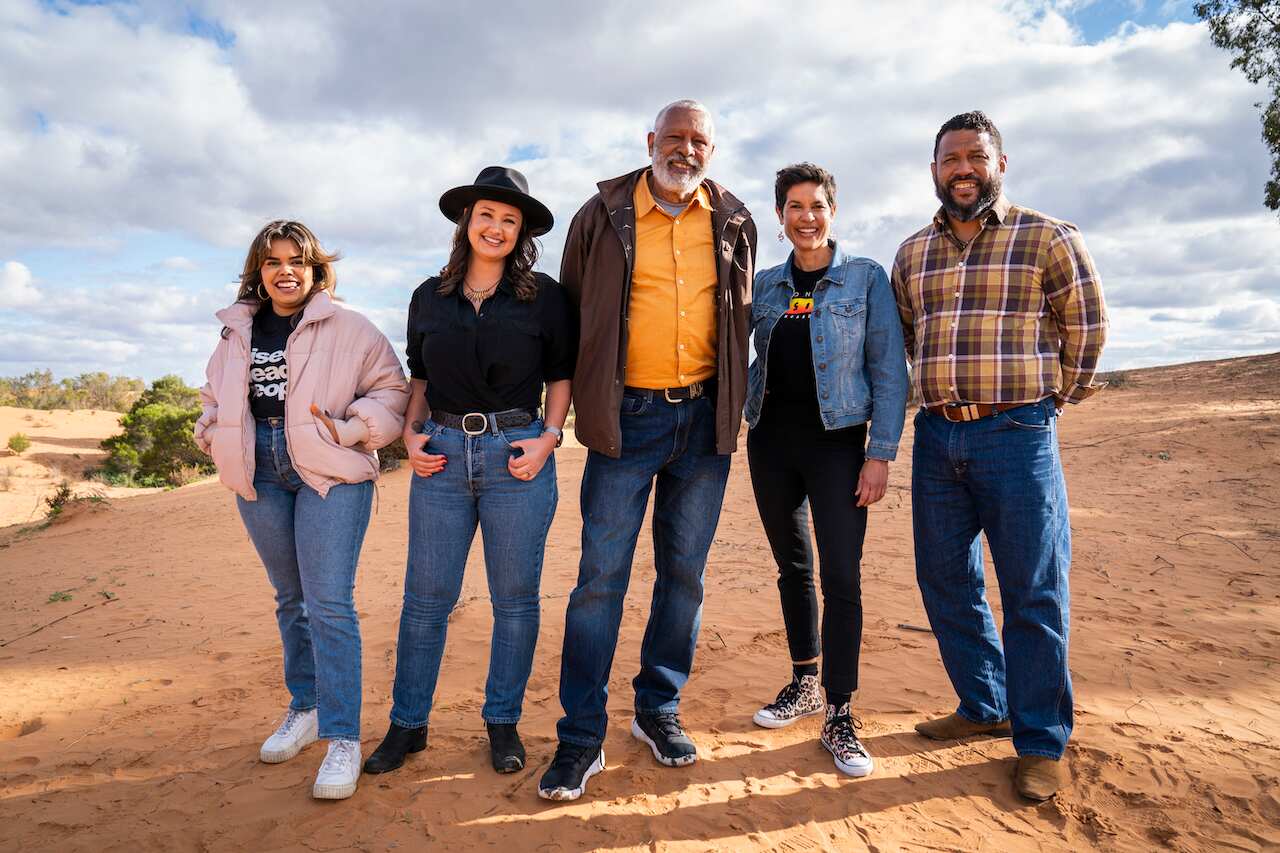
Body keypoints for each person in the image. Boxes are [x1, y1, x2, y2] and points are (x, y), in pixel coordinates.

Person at [538, 100, 756, 802]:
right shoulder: (599, 215)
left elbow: (744, 318)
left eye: (699, 141)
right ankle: (581, 735)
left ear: (711, 151)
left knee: (683, 576)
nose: (685, 149)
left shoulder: (735, 220)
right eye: (675, 136)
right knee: (600, 578)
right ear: (651, 140)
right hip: (625, 419)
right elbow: (570, 317)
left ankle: (657, 708)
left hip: (704, 420)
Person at [890, 111, 1108, 801]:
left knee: (1032, 588)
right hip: (937, 438)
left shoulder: (1047, 236)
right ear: (934, 169)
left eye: (976, 157)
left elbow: (1088, 326)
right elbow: (905, 338)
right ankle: (984, 703)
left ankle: (1041, 740)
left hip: (1017, 435)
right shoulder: (912, 253)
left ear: (1000, 164)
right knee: (945, 579)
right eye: (950, 158)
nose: (963, 169)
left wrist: (1049, 402)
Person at [362, 167, 576, 778]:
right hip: (443, 457)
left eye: (510, 220)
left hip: (517, 456)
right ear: (467, 221)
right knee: (425, 601)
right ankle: (408, 725)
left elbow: (561, 375)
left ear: (521, 232)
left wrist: (549, 438)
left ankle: (502, 722)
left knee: (516, 601)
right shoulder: (429, 296)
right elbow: (420, 377)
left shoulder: (545, 296)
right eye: (487, 215)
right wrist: (411, 433)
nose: (496, 228)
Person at [195, 220, 409, 800]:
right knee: (290, 598)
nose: (285, 271)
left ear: (317, 269)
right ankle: (306, 707)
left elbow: (393, 392)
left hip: (328, 471)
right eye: (272, 261)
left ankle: (343, 737)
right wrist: (212, 433)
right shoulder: (236, 331)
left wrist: (349, 431)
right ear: (258, 272)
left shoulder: (351, 326)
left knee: (328, 602)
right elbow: (213, 396)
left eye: (297, 260)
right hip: (260, 470)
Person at [744, 163, 908, 777]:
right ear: (780, 215)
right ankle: (805, 682)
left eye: (816, 205)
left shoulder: (863, 278)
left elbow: (889, 370)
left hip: (838, 447)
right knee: (793, 569)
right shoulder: (766, 284)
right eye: (794, 206)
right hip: (770, 444)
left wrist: (879, 454)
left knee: (842, 576)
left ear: (832, 211)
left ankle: (840, 711)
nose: (806, 217)